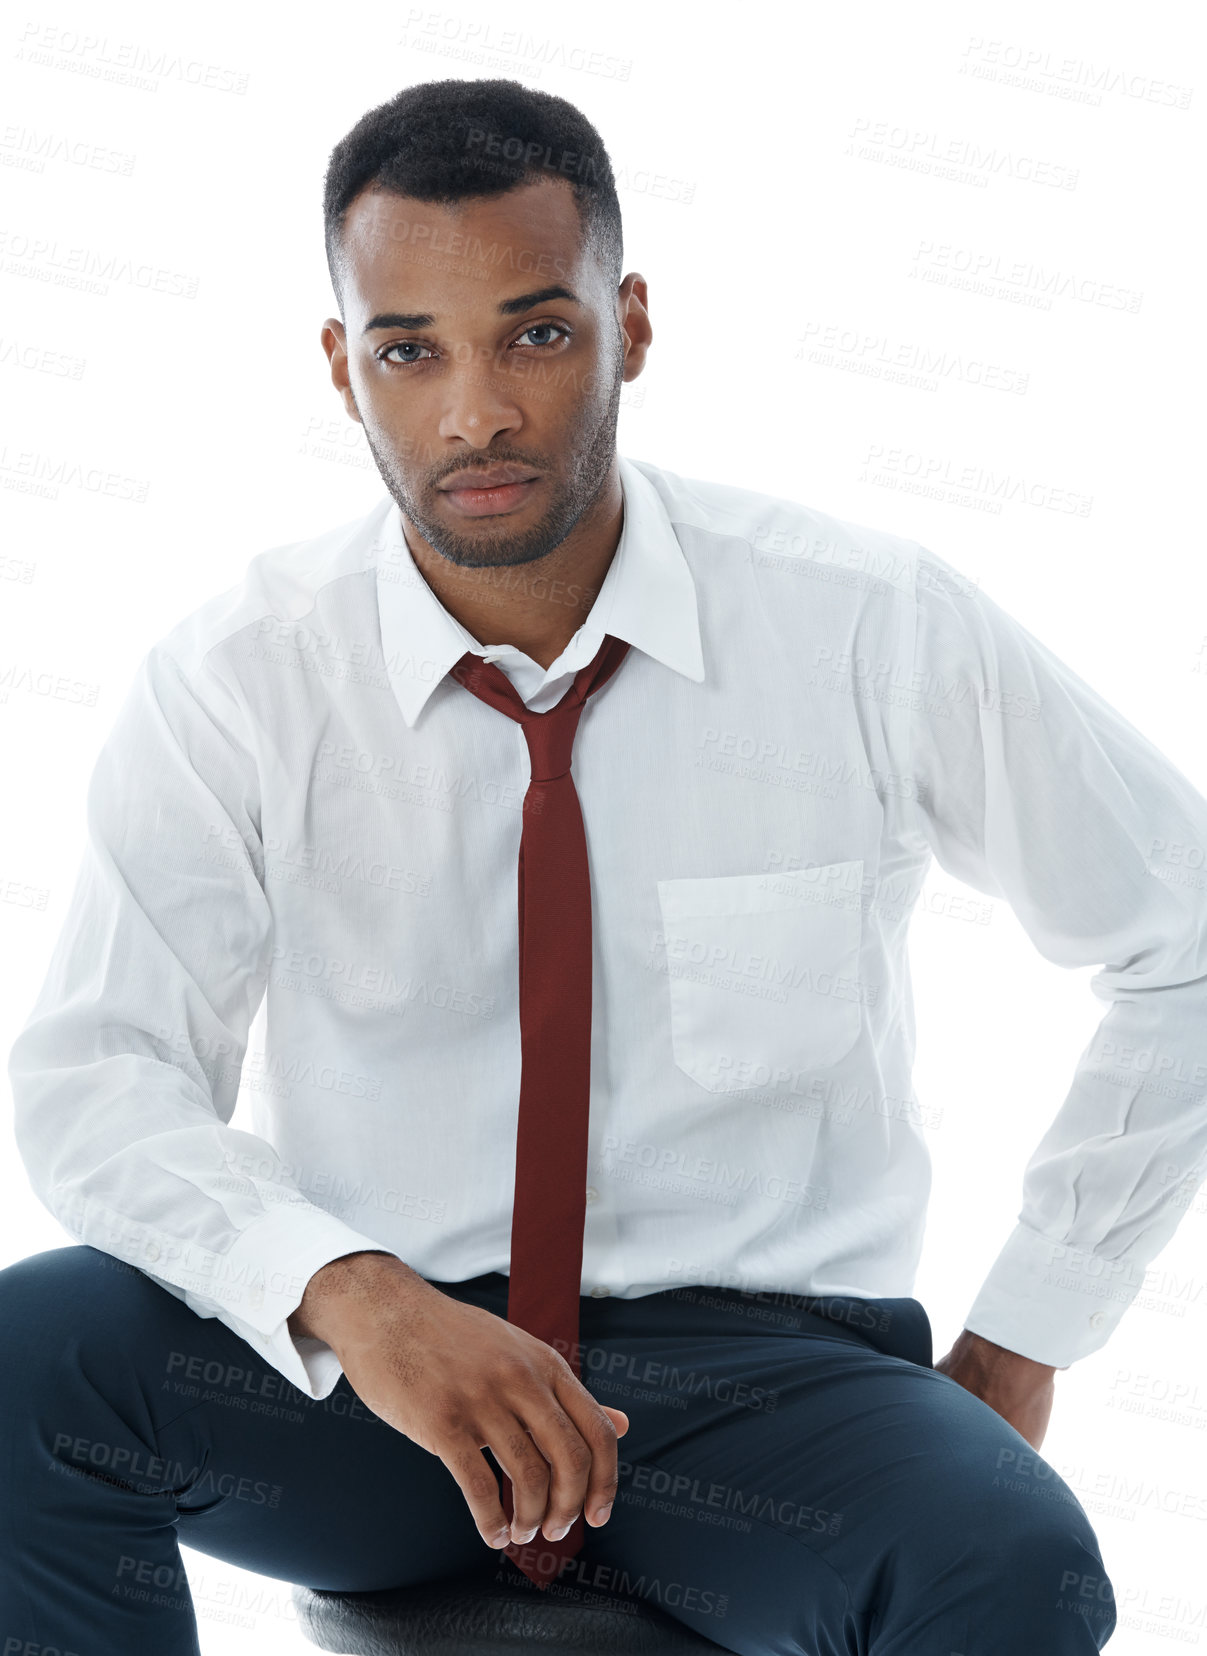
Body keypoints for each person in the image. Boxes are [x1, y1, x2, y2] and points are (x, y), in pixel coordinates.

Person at [6, 73, 1204, 1656]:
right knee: (21, 1373)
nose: (474, 413)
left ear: (629, 323)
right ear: (339, 365)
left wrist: (1030, 1332)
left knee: (1011, 1566)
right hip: (390, 1386)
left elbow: (1179, 934)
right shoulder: (244, 676)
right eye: (407, 350)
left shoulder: (864, 625)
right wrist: (355, 1298)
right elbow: (100, 1076)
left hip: (769, 1392)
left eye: (536, 334)